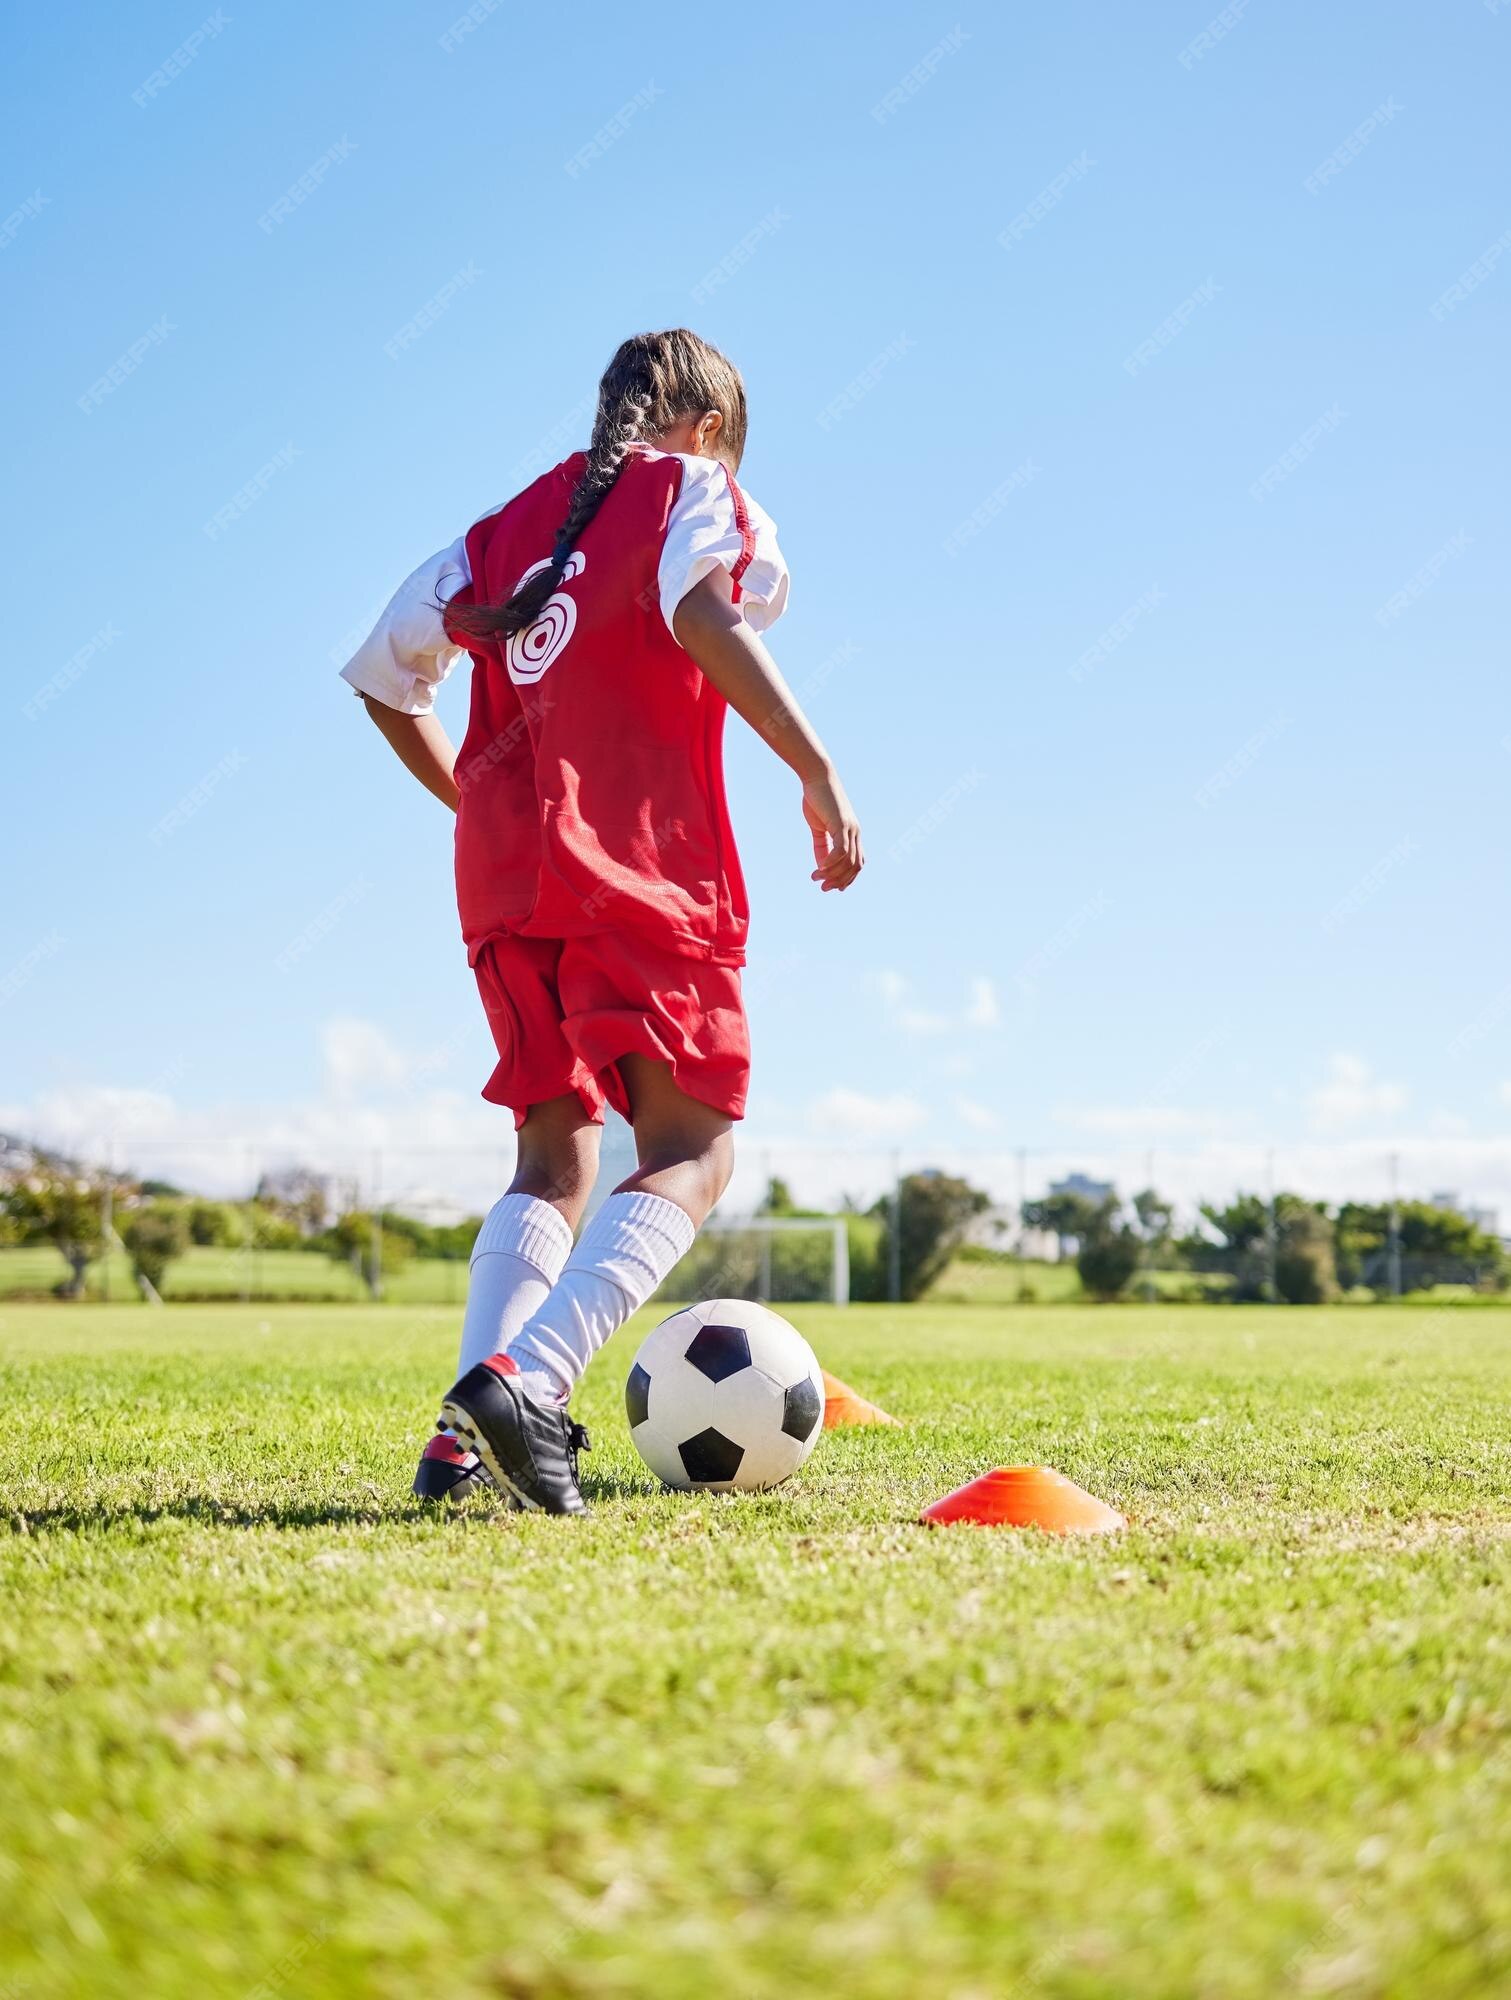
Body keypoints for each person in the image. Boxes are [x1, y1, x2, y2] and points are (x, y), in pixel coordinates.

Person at [339, 329, 862, 1514]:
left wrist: (476, 794)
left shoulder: (495, 534)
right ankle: (531, 1380)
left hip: (505, 875)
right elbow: (699, 613)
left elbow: (380, 673)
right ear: (713, 429)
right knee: (692, 1148)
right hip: (637, 863)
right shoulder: (692, 486)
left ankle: (455, 1438)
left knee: (553, 1154)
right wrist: (815, 763)